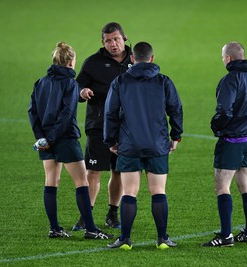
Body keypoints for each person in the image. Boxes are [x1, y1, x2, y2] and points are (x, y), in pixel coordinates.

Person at [28, 42, 113, 240]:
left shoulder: (40, 82)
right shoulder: (70, 84)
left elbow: (32, 112)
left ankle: (55, 228)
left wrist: (42, 138)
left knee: (51, 181)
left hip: (46, 140)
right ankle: (91, 229)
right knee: (81, 182)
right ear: (71, 61)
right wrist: (51, 138)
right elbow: (66, 115)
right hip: (65, 138)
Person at [104, 42, 183, 250]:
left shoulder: (120, 81)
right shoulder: (163, 81)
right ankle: (162, 239)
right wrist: (176, 135)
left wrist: (110, 141)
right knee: (158, 191)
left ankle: (125, 240)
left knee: (129, 192)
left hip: (129, 145)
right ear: (152, 58)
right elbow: (176, 110)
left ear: (132, 58)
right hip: (157, 145)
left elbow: (110, 114)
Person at [202, 42, 247, 247]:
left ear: (229, 58)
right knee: (246, 185)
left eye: (223, 57)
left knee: (222, 187)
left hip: (232, 140)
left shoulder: (230, 80)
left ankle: (225, 236)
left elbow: (224, 111)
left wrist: (217, 127)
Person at [73, 22, 133, 230]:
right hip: (99, 125)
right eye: (108, 41)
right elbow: (77, 86)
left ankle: (112, 214)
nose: (113, 44)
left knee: (118, 172)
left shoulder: (136, 61)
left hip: (127, 128)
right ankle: (85, 217)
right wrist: (82, 92)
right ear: (103, 42)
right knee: (94, 171)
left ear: (124, 38)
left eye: (116, 39)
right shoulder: (93, 63)